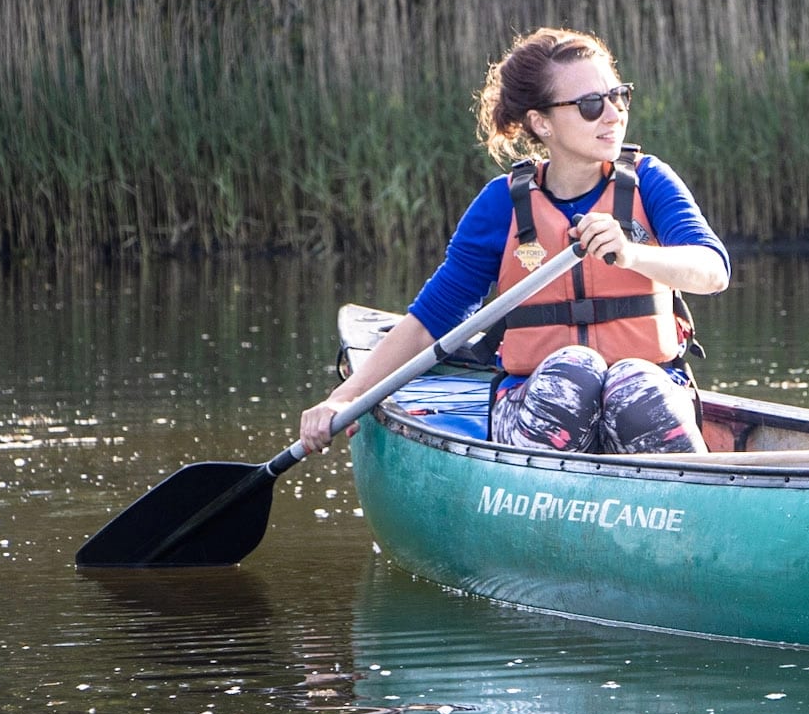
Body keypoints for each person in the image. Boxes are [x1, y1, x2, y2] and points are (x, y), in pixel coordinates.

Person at [298, 27, 729, 458]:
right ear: (542, 123)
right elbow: (432, 319)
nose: (613, 114)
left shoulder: (649, 181)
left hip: (648, 395)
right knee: (576, 369)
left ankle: (685, 497)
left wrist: (632, 254)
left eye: (618, 97)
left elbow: (712, 271)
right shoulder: (501, 205)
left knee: (631, 382)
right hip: (533, 403)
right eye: (591, 105)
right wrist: (346, 396)